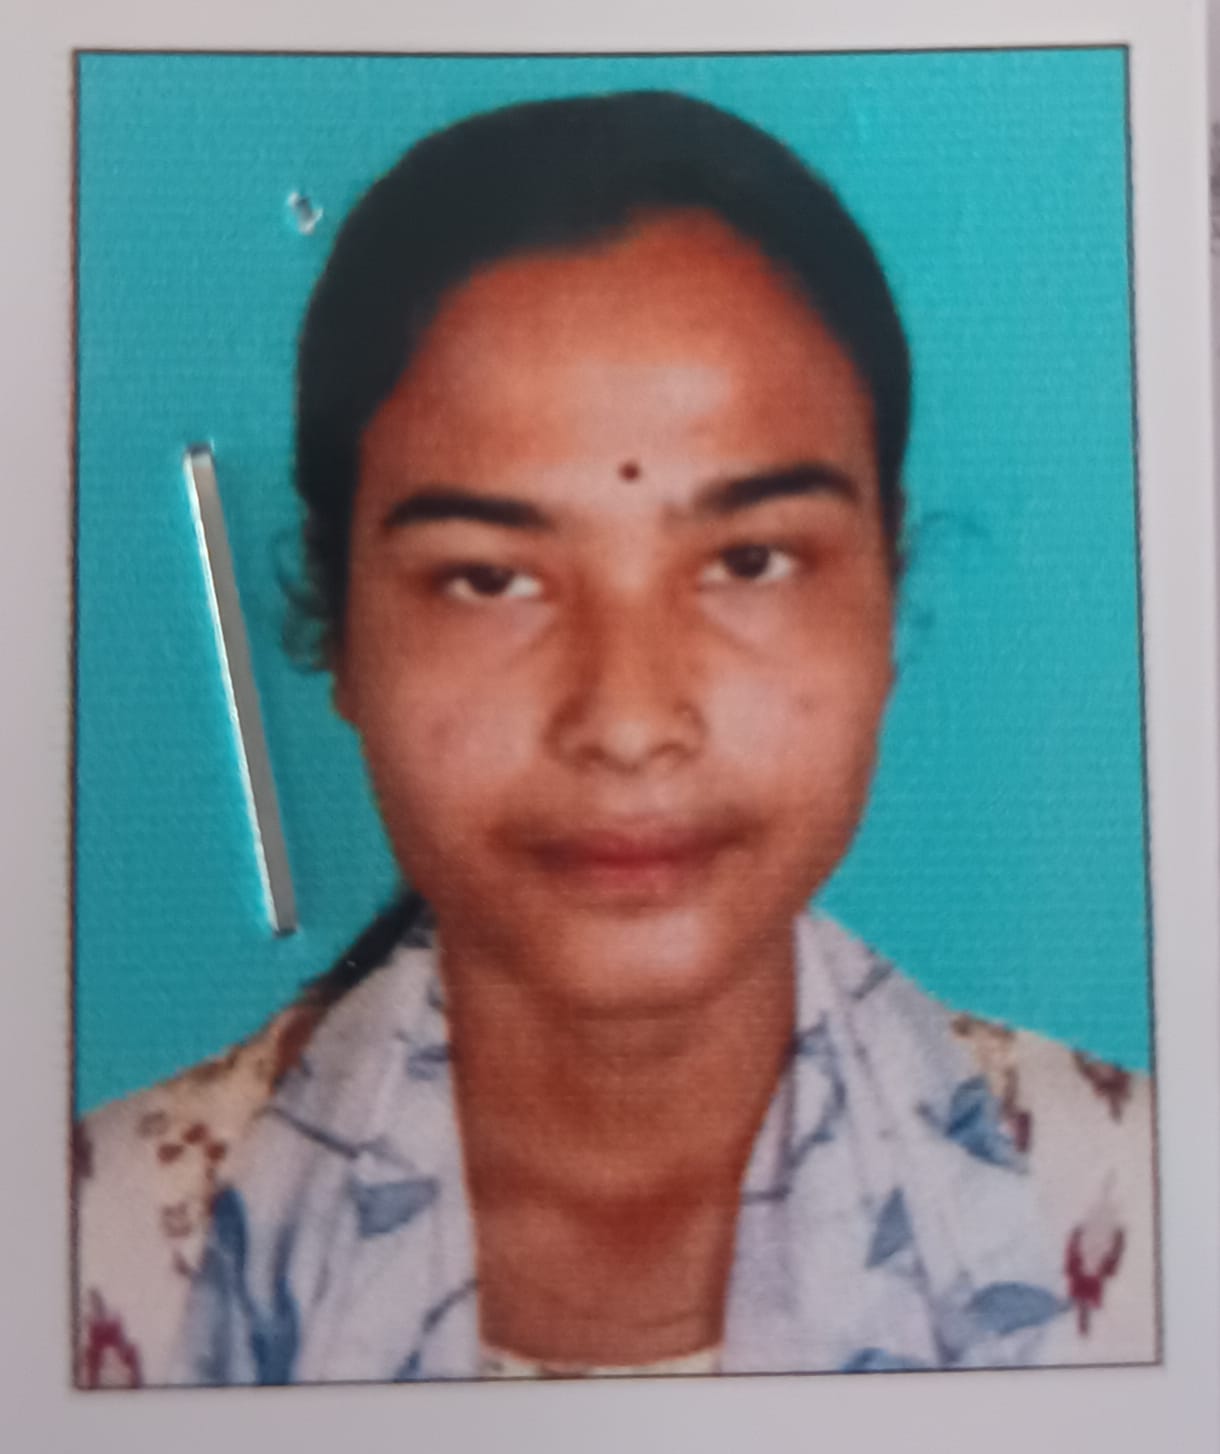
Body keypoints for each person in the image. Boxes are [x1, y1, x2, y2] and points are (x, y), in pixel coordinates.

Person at [74, 90, 1155, 1387]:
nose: (630, 722)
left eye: (750, 561)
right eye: (489, 578)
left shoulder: (1145, 1218)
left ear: (889, 590)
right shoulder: (90, 1255)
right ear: (339, 625)